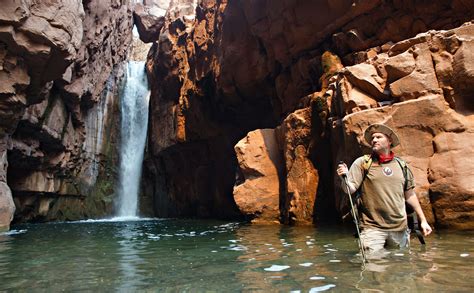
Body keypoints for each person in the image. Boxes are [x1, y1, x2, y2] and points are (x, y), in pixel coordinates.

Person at [337, 123, 432, 252]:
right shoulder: (362, 163)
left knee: (399, 268)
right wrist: (345, 177)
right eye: (372, 138)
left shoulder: (402, 165)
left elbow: (410, 195)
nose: (374, 140)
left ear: (389, 141)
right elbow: (350, 189)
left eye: (379, 137)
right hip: (372, 229)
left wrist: (423, 221)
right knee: (374, 269)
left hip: (400, 228)